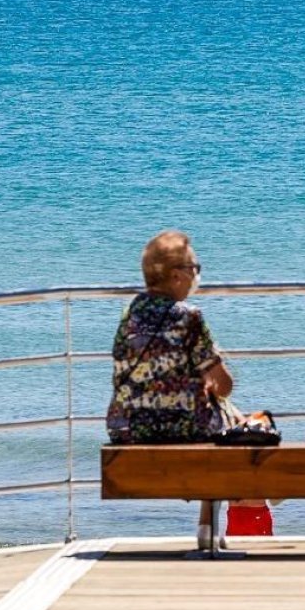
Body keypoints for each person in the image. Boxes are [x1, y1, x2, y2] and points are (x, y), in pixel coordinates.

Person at [106, 230, 272, 542]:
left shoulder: (129, 313)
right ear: (176, 276)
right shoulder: (189, 316)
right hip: (181, 428)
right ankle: (207, 525)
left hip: (127, 426)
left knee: (219, 416)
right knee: (233, 426)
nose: (197, 276)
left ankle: (208, 528)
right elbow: (224, 384)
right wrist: (213, 389)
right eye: (195, 269)